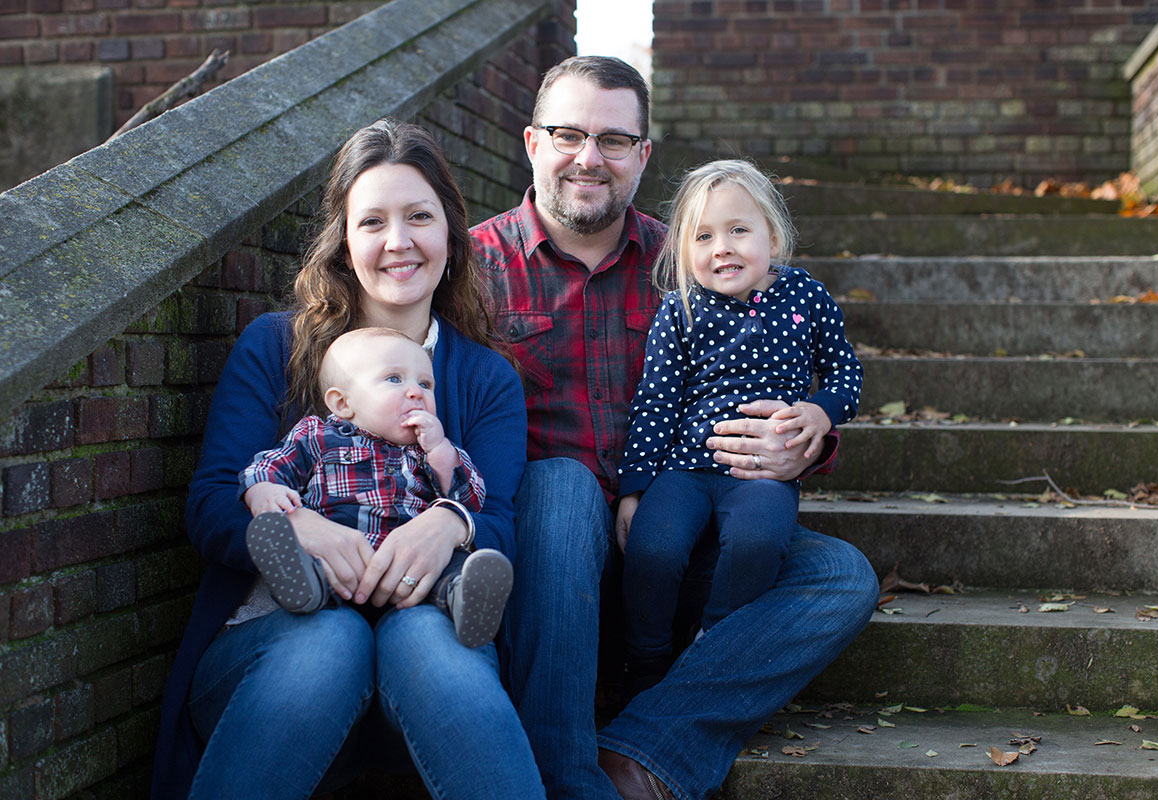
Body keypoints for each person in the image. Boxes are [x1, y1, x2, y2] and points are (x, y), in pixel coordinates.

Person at [472, 55, 879, 800]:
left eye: (614, 140)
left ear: (642, 155)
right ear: (531, 143)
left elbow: (786, 370)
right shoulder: (473, 268)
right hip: (546, 563)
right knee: (562, 487)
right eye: (568, 134)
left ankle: (638, 753)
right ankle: (565, 778)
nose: (589, 157)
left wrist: (804, 436)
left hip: (675, 539)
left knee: (840, 575)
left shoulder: (693, 257)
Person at [151, 119, 543, 800]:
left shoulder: (485, 379)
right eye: (373, 221)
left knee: (428, 638)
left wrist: (449, 522)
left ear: (450, 234)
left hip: (420, 680)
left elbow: (502, 519)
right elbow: (213, 500)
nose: (398, 242)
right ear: (345, 241)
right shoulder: (275, 348)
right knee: (331, 641)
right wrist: (301, 527)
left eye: (419, 216)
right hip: (274, 657)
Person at [616, 159, 864, 697]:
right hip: (683, 469)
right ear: (684, 251)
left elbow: (847, 372)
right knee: (653, 550)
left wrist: (821, 413)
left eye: (738, 230)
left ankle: (715, 641)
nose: (721, 247)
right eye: (703, 236)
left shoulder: (806, 298)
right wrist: (633, 491)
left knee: (757, 539)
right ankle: (646, 663)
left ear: (772, 236)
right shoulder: (680, 308)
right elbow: (655, 401)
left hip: (761, 473)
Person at [239, 327, 513, 649]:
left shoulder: (427, 451)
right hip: (341, 562)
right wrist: (263, 493)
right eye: (395, 379)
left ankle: (465, 598)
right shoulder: (318, 436)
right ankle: (302, 587)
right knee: (312, 564)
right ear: (342, 403)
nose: (415, 392)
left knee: (450, 567)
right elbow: (266, 467)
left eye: (425, 384)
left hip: (408, 570)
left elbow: (470, 500)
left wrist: (440, 451)